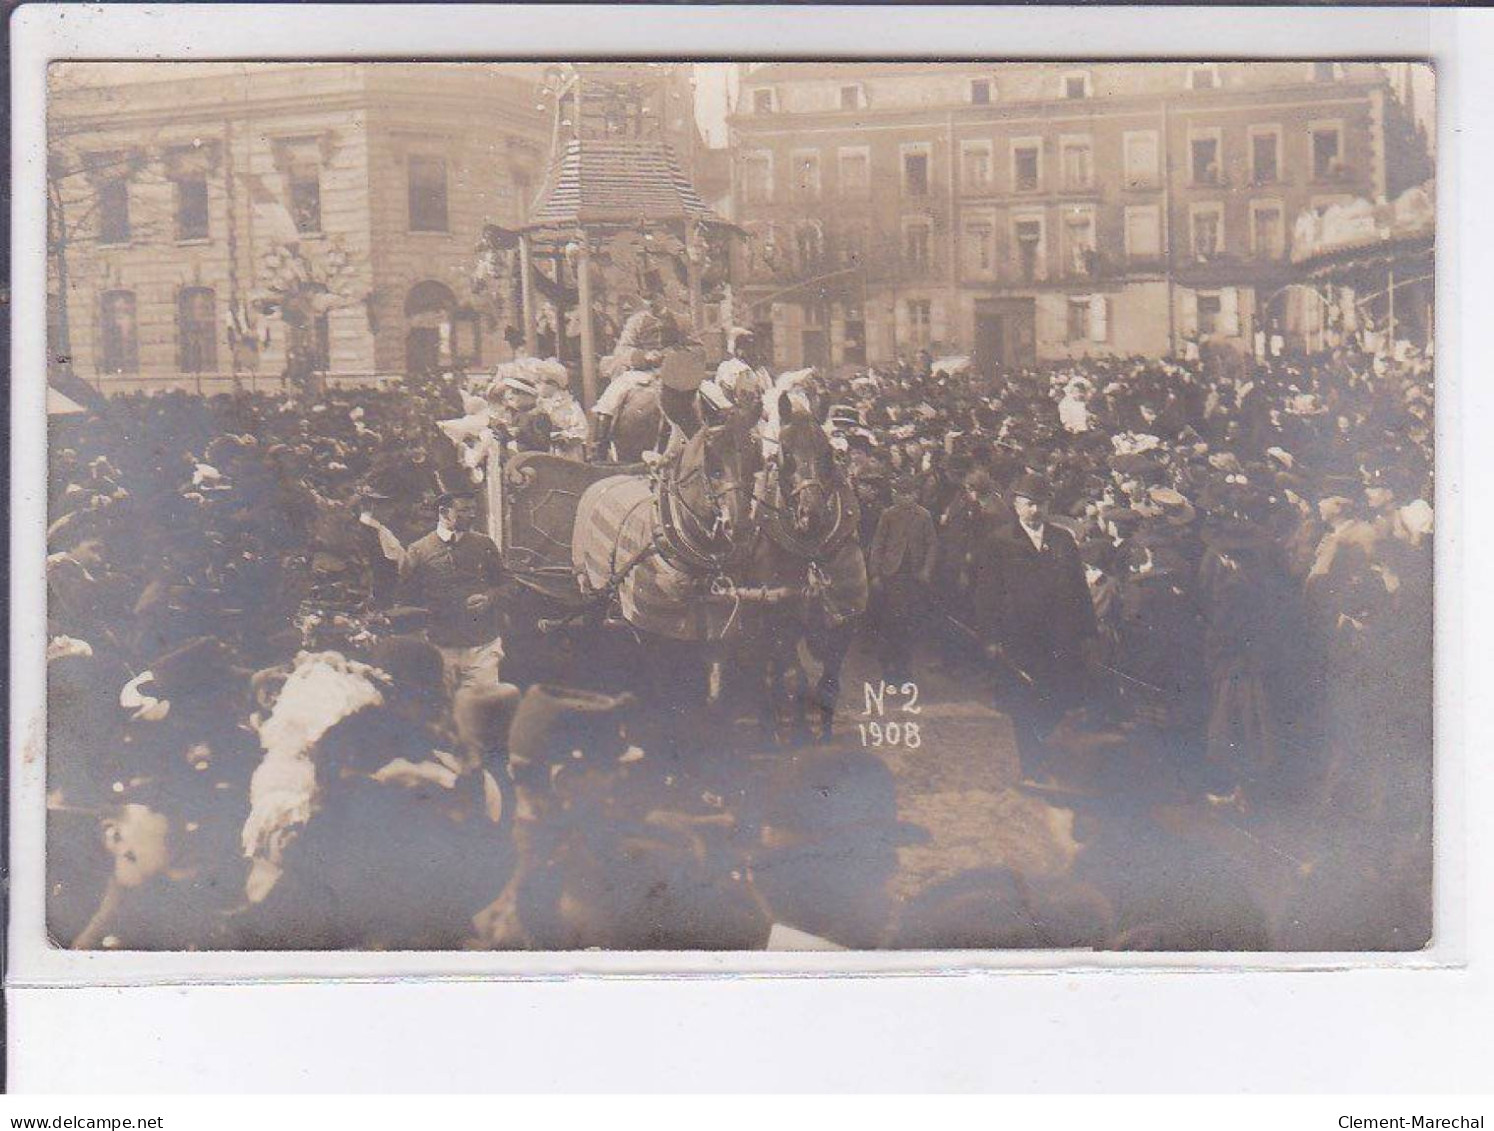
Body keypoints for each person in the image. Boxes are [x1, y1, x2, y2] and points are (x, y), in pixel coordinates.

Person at [973, 473, 1097, 773]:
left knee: (1057, 696)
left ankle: (1044, 743)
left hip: (1059, 637)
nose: (1034, 511)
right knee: (1023, 698)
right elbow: (987, 593)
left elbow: (1079, 587)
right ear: (1016, 505)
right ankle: (1031, 760)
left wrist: (1087, 631)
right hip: (1019, 636)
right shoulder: (999, 542)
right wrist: (990, 637)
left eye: (1040, 505)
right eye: (1029, 505)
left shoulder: (1062, 539)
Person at [397, 492, 508, 694]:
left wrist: (489, 598)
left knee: (483, 709)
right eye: (464, 510)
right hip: (440, 648)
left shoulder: (485, 545)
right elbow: (405, 599)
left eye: (474, 510)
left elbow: (505, 584)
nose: (472, 515)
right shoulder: (419, 551)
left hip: (482, 647)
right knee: (442, 710)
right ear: (443, 512)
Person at [866, 473, 937, 686]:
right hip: (892, 576)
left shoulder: (924, 516)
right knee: (890, 622)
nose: (903, 498)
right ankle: (888, 666)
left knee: (909, 622)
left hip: (913, 577)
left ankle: (904, 667)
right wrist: (876, 574)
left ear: (915, 495)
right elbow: (878, 544)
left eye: (907, 494)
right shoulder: (888, 515)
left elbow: (932, 544)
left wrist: (926, 570)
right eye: (899, 493)